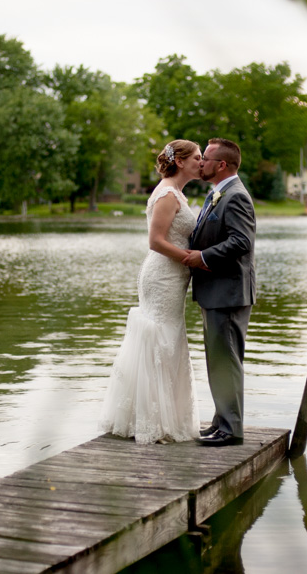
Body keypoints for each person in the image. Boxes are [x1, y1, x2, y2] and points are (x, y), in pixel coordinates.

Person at [98, 140, 203, 444]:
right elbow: (155, 241)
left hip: (172, 276)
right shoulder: (168, 194)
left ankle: (159, 417)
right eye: (197, 157)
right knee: (162, 338)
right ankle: (152, 421)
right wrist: (191, 259)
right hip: (162, 276)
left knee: (169, 337)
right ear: (180, 161)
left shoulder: (176, 192)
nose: (202, 162)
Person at [184, 138, 256, 447]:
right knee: (219, 360)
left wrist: (203, 257)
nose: (201, 163)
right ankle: (221, 422)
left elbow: (241, 241)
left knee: (226, 361)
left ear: (222, 165)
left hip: (228, 292)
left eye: (206, 158)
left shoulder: (235, 196)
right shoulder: (218, 193)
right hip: (216, 292)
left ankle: (231, 430)